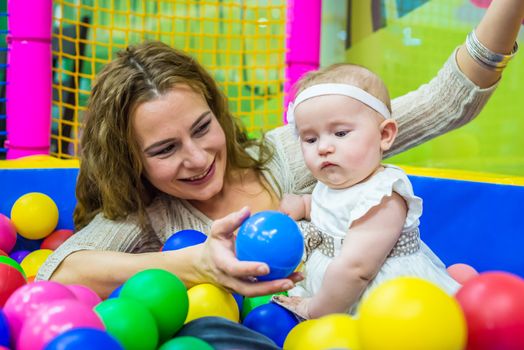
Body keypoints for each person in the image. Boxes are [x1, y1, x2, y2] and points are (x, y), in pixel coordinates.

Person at [34, 0, 521, 348]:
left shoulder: (294, 149)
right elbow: (59, 271)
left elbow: (445, 101)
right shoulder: (150, 216)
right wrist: (197, 264)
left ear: (217, 113)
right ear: (133, 161)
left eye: (203, 128)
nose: (198, 157)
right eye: (165, 150)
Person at [273, 63, 460, 320]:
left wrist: (315, 309)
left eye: (340, 133)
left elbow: (356, 269)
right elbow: (331, 208)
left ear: (384, 135)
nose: (324, 147)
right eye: (310, 139)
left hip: (384, 301)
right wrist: (304, 205)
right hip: (334, 292)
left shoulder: (384, 197)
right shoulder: (333, 184)